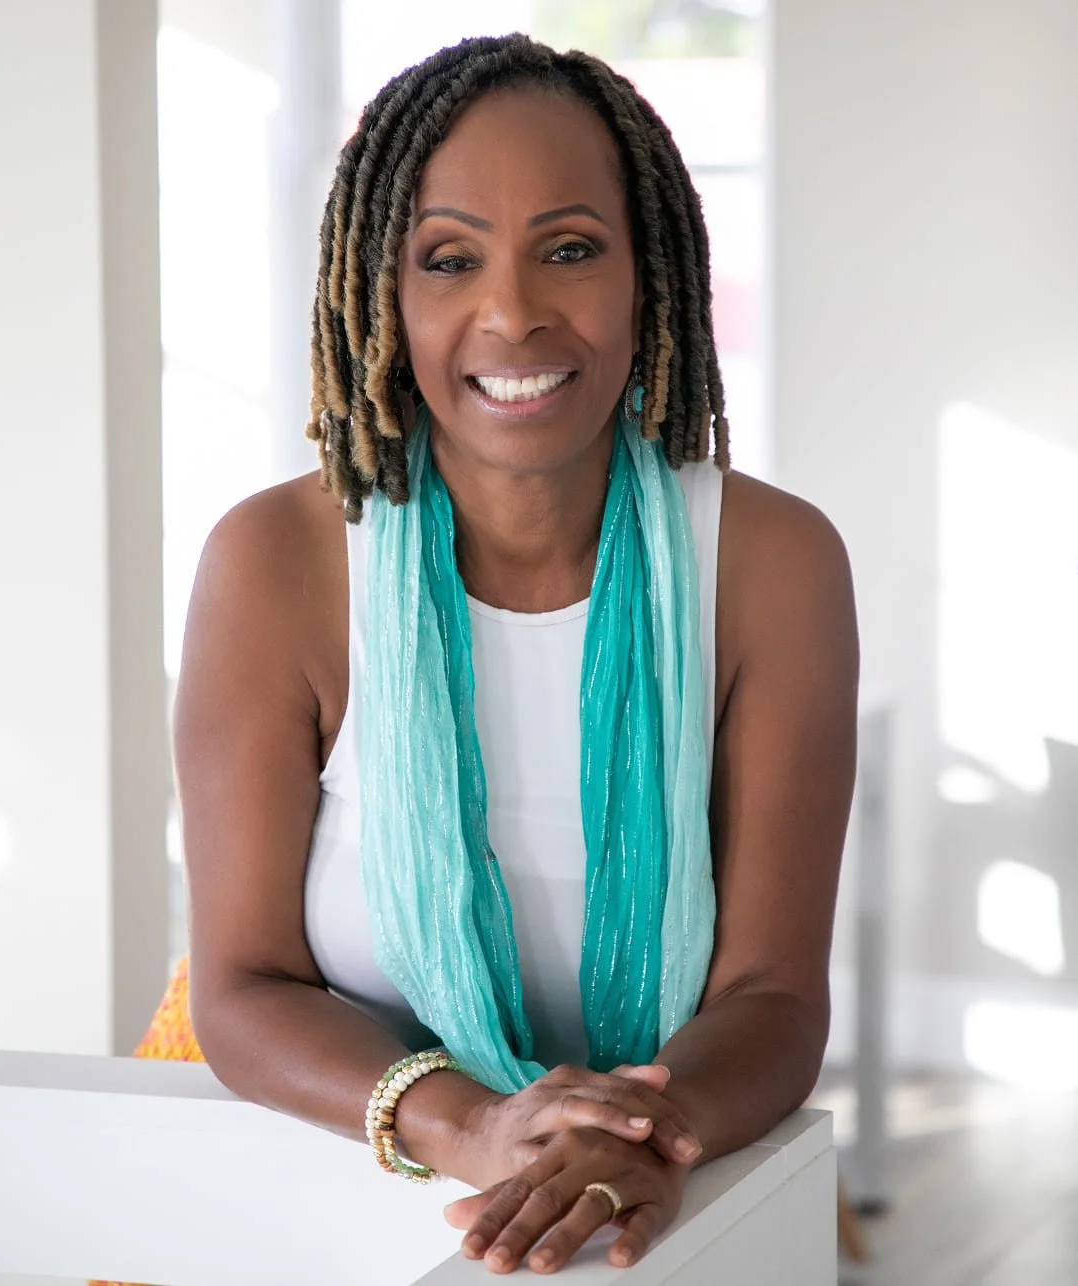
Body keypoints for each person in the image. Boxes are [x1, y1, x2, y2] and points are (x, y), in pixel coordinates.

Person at [149, 32, 857, 1277]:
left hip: (636, 1195)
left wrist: (640, 1130)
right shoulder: (277, 563)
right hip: (305, 1168)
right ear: (383, 292)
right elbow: (243, 989)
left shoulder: (773, 565)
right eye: (448, 258)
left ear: (650, 275)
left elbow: (774, 994)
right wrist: (473, 1123)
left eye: (570, 249)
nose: (513, 310)